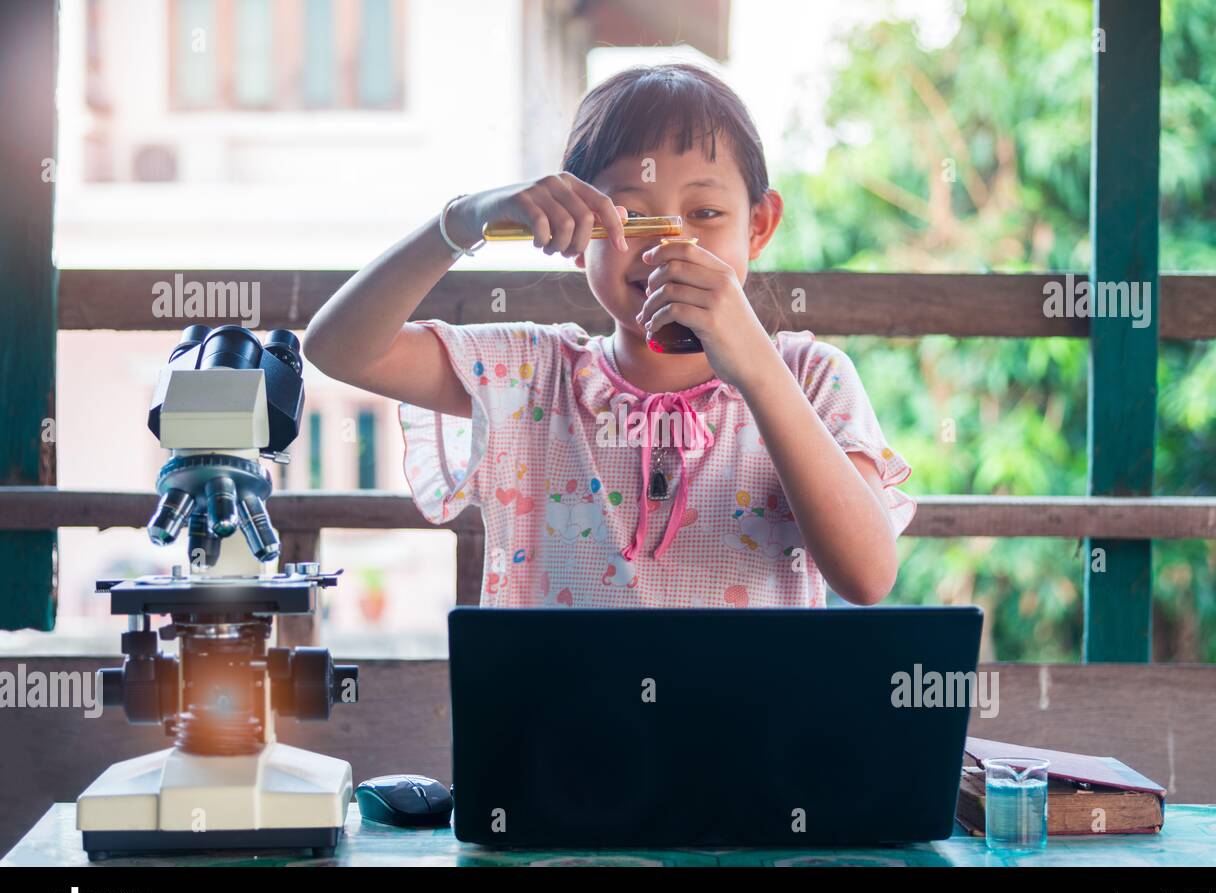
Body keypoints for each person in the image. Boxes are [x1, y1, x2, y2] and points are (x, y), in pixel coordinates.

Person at [303, 63, 914, 608]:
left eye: (704, 214)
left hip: (749, 733)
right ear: (577, 235)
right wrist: (462, 222)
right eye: (630, 216)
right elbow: (338, 348)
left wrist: (756, 366)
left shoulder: (810, 377)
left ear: (759, 225)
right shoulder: (533, 374)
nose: (668, 244)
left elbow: (866, 578)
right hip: (560, 731)